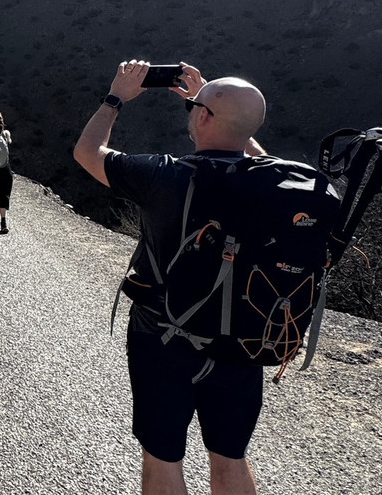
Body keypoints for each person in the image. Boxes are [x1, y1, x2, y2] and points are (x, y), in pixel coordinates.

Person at [73, 60, 267, 495]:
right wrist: (218, 111)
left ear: (200, 117)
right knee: (231, 459)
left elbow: (88, 152)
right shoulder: (272, 184)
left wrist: (115, 97)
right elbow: (263, 159)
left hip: (161, 338)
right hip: (243, 341)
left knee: (162, 460)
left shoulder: (163, 175)